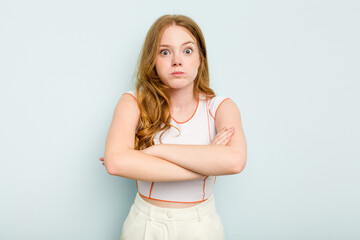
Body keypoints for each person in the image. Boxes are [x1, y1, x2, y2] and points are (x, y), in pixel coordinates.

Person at [99, 14, 247, 240]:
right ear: (153, 60)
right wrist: (207, 163)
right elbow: (116, 162)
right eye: (165, 52)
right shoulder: (133, 102)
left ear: (200, 59)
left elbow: (235, 161)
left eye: (187, 51)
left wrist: (155, 151)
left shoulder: (221, 107)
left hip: (201, 227)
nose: (177, 60)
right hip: (144, 225)